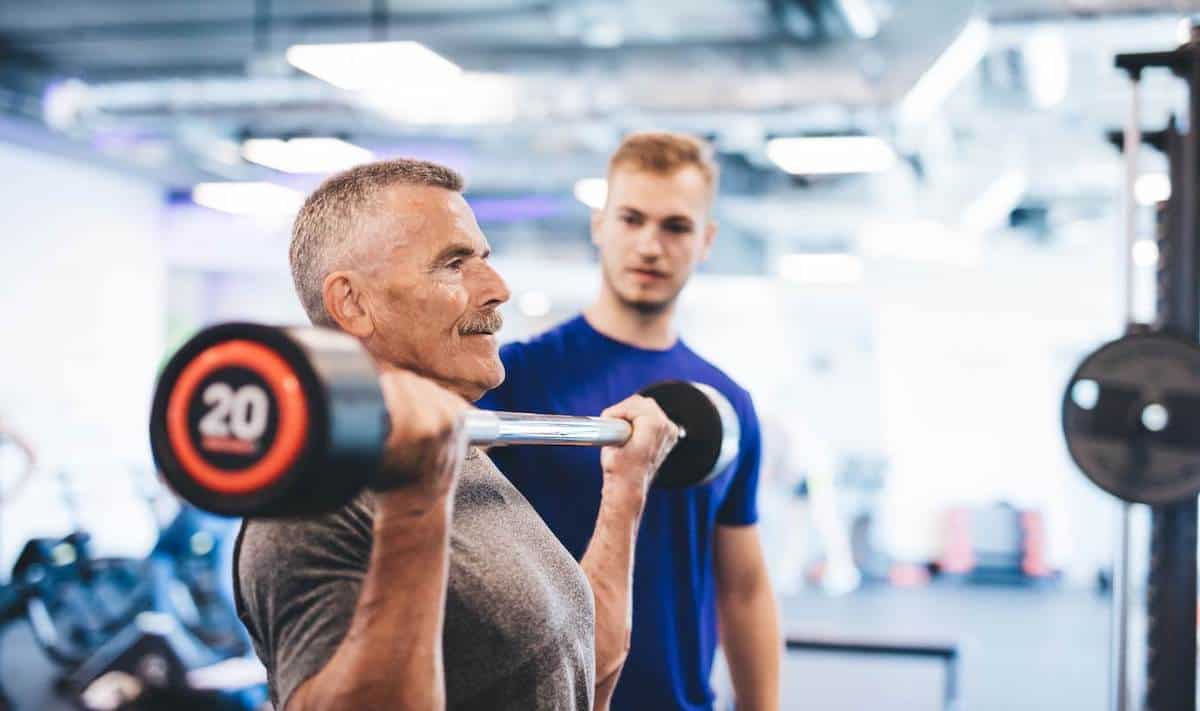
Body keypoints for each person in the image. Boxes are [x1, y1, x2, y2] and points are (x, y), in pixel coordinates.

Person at [234, 159, 680, 711]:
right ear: (353, 303)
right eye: (453, 264)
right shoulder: (315, 504)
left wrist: (626, 489)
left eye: (484, 259)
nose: (497, 289)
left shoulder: (465, 453)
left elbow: (582, 668)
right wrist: (413, 508)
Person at [479, 132, 782, 710]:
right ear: (600, 225)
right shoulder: (512, 378)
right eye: (632, 219)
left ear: (707, 240)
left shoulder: (729, 404)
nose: (650, 245)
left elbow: (742, 589)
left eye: (676, 227)